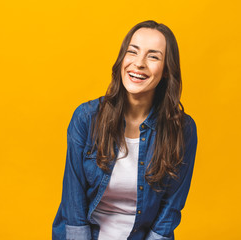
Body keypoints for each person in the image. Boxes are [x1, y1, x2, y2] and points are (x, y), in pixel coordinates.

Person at [52, 20, 198, 240]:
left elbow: (171, 208)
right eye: (133, 52)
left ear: (167, 70)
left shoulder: (182, 130)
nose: (139, 63)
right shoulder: (86, 118)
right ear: (122, 59)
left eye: (153, 56)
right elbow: (73, 198)